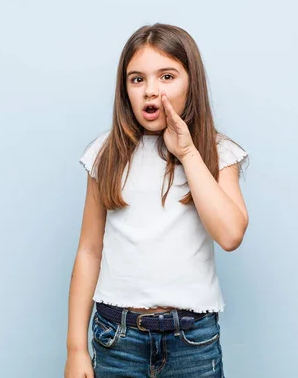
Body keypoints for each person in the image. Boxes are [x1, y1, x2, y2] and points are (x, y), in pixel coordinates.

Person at [64, 23, 249, 378]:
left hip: (192, 341)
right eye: (137, 79)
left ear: (191, 82)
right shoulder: (106, 154)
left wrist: (188, 152)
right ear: (125, 90)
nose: (151, 91)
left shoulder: (217, 151)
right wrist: (75, 349)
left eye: (166, 76)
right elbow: (89, 250)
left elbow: (230, 235)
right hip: (117, 339)